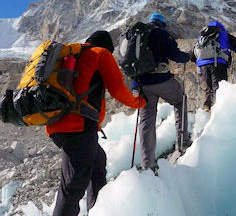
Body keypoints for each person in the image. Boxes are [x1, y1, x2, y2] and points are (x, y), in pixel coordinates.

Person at [46, 31, 146, 216]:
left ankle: (98, 210)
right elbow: (117, 89)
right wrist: (139, 102)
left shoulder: (74, 54)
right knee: (73, 187)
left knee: (97, 162)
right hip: (78, 127)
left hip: (56, 124)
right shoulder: (101, 54)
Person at [131, 12, 190, 172]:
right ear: (162, 24)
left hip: (141, 84)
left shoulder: (138, 36)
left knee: (146, 121)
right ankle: (183, 140)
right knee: (180, 100)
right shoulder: (161, 33)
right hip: (160, 79)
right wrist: (188, 56)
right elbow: (175, 55)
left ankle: (148, 164)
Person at [193, 20, 236, 111]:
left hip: (202, 67)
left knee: (209, 89)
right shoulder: (225, 35)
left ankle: (207, 107)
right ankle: (219, 112)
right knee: (219, 89)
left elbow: (193, 55)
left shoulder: (201, 37)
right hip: (218, 65)